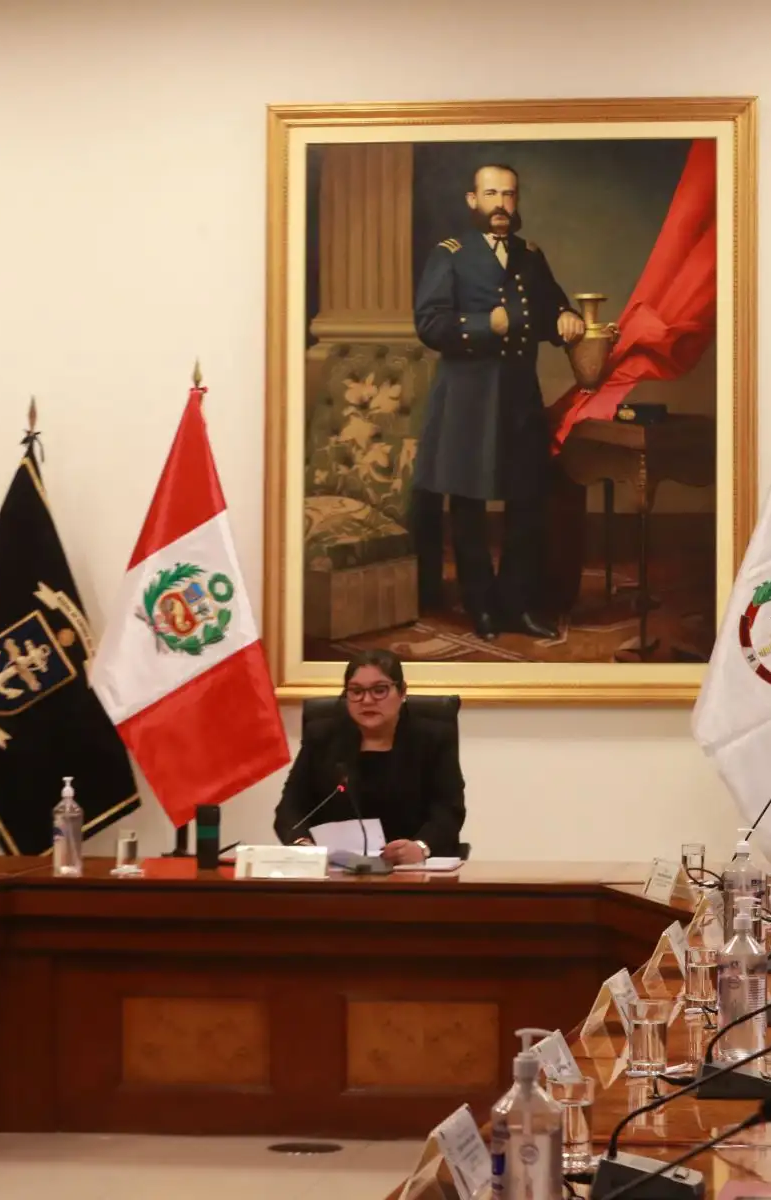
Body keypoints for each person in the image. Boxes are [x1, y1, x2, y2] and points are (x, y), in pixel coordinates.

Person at [411, 163, 583, 640]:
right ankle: (481, 607)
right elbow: (429, 323)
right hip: (467, 398)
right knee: (468, 505)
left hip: (518, 397)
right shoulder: (450, 254)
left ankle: (518, 604)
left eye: (509, 195)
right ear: (473, 200)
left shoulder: (530, 255)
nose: (501, 204)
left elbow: (552, 310)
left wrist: (566, 318)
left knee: (527, 500)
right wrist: (486, 325)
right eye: (491, 194)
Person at [276, 650, 466, 865]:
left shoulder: (432, 738)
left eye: (379, 690)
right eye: (356, 691)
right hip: (337, 871)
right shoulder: (322, 737)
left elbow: (449, 810)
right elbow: (290, 807)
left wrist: (421, 847)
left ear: (402, 691)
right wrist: (302, 845)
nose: (367, 700)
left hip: (411, 868)